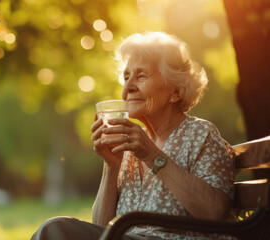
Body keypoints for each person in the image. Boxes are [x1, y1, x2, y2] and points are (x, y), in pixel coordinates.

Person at [31, 31, 236, 240]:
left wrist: (152, 155)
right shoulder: (131, 147)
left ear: (174, 91)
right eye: (126, 77)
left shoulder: (201, 135)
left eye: (141, 76)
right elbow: (102, 230)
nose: (127, 87)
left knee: (55, 229)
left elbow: (214, 212)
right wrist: (111, 165)